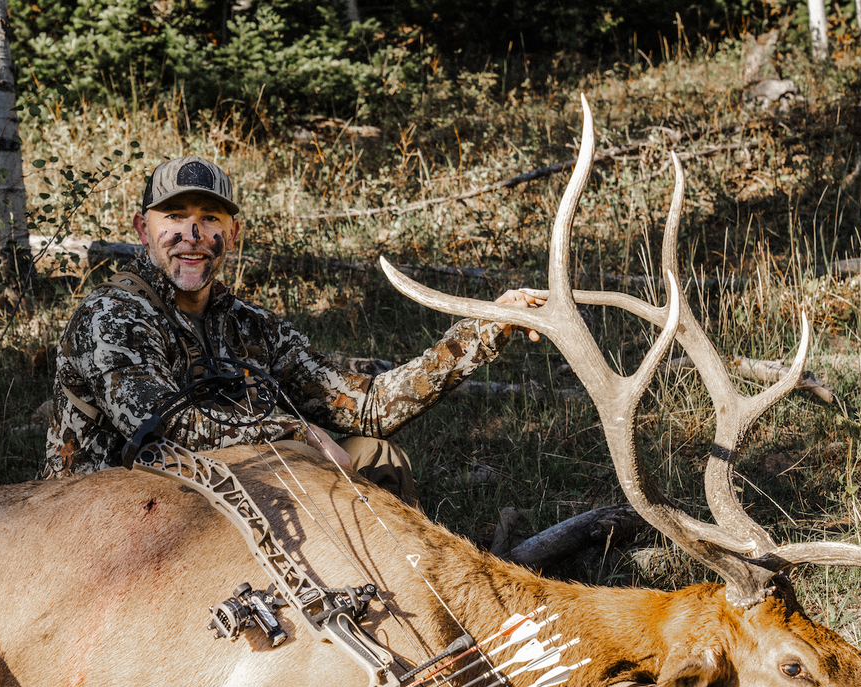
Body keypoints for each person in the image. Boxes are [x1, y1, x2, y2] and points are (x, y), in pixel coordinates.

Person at [41, 155, 540, 506]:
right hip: (107, 517)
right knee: (304, 458)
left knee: (375, 455)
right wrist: (296, 433)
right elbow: (159, 429)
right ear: (141, 229)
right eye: (174, 217)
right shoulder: (113, 315)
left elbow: (366, 406)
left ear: (232, 233)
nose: (192, 236)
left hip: (212, 492)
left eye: (209, 219)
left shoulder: (248, 325)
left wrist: (485, 330)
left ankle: (405, 593)